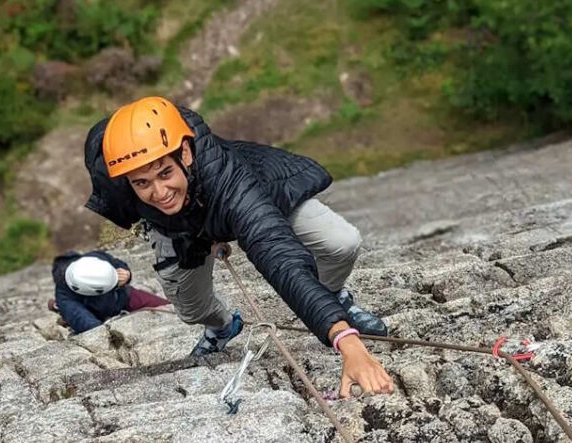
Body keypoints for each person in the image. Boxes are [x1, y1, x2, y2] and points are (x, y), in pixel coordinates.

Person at [83, 96, 393, 397]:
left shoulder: (230, 183)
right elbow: (127, 204)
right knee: (192, 310)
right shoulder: (110, 167)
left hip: (250, 192)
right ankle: (222, 327)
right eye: (142, 183)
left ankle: (333, 295)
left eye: (166, 173)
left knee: (342, 241)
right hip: (175, 230)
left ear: (187, 154)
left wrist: (345, 339)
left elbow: (278, 255)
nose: (160, 192)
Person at [50, 250, 169, 333]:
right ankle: (61, 311)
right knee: (71, 314)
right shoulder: (65, 297)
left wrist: (126, 274)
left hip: (123, 294)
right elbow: (86, 322)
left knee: (167, 307)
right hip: (97, 312)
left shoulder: (96, 257)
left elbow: (118, 263)